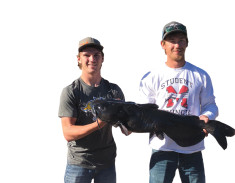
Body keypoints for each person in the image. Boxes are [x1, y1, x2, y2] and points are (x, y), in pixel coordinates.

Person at [139, 21, 219, 183]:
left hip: (192, 148)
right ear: (163, 44)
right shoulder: (151, 76)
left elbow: (211, 105)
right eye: (172, 41)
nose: (177, 45)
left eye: (181, 40)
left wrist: (206, 116)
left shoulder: (201, 75)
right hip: (162, 148)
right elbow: (143, 112)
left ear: (187, 43)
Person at [58, 37, 126, 183]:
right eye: (86, 55)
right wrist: (99, 123)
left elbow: (126, 129)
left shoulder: (113, 91)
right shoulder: (71, 91)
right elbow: (68, 132)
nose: (92, 59)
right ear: (78, 59)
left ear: (102, 59)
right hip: (79, 163)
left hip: (107, 163)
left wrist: (133, 121)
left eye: (96, 55)